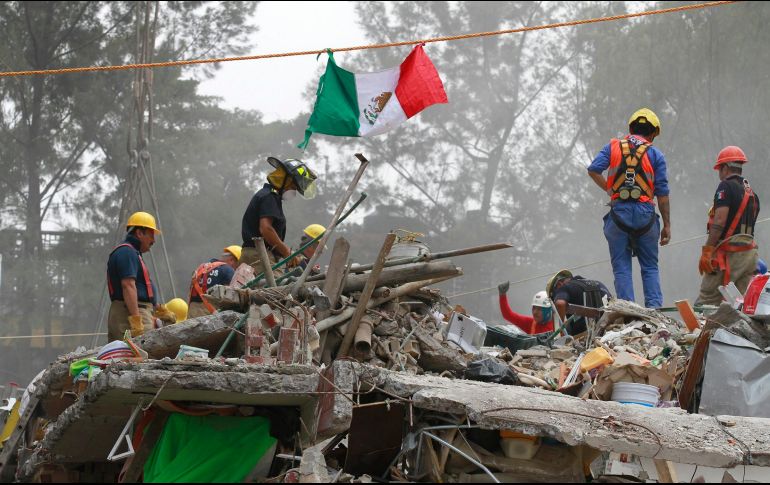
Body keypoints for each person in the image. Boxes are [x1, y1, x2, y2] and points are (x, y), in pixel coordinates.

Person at [588, 108, 671, 308]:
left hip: (619, 213)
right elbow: (662, 193)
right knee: (650, 267)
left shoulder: (613, 146)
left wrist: (610, 189)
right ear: (652, 133)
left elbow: (593, 169)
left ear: (631, 128)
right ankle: (655, 311)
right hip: (645, 214)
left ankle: (629, 312)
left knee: (622, 268)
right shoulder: (655, 154)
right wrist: (667, 225)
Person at [696, 146, 760, 305]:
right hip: (749, 256)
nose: (719, 174)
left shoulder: (725, 186)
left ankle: (700, 330)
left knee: (706, 300)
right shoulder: (752, 193)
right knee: (745, 304)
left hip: (728, 255)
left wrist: (708, 250)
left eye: (719, 169)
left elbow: (719, 221)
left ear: (724, 168)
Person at [240, 157, 318, 272]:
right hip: (258, 256)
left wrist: (290, 257)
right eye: (293, 187)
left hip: (258, 255)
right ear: (285, 180)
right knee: (276, 288)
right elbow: (266, 229)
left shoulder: (269, 196)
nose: (294, 192)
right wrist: (287, 252)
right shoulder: (269, 197)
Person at [107, 212, 162, 340]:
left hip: (134, 311)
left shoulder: (131, 252)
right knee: (140, 355)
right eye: (151, 234)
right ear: (139, 233)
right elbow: (128, 286)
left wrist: (157, 308)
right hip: (131, 313)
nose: (153, 240)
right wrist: (136, 321)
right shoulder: (127, 252)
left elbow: (139, 286)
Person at [546, 270, 612, 336]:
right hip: (611, 329)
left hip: (585, 336)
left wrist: (562, 333)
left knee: (567, 327)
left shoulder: (563, 288)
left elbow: (560, 304)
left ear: (559, 284)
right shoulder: (598, 283)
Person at [188, 245, 241, 318]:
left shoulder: (203, 267)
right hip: (208, 313)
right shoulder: (228, 270)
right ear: (232, 260)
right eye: (238, 265)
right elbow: (232, 296)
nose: (237, 269)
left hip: (192, 310)